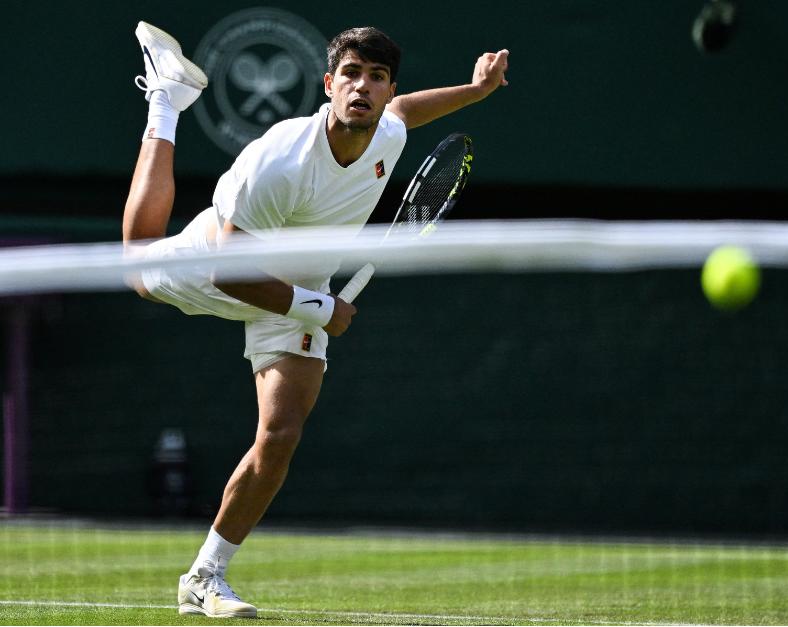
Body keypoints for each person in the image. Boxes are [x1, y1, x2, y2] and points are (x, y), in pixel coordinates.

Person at [123, 21, 509, 618]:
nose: (363, 88)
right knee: (134, 265)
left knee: (279, 437)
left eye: (376, 78)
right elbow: (232, 274)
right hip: (230, 259)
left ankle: (205, 576)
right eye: (350, 75)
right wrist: (322, 309)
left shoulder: (388, 132)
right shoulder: (279, 160)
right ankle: (166, 101)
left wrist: (475, 91)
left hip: (303, 285)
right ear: (329, 84)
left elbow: (407, 110)